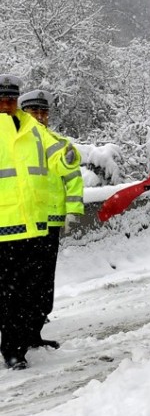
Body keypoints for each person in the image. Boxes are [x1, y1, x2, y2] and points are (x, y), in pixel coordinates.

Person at [0, 75, 76, 370]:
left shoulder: (33, 129)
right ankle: (12, 348)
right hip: (4, 227)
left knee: (27, 291)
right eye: (2, 100)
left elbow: (59, 154)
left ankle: (18, 345)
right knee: (9, 292)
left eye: (11, 99)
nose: (7, 105)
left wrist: (68, 157)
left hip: (33, 225)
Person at [18, 89, 83, 350]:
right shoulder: (15, 144)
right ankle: (17, 338)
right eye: (34, 111)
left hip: (51, 224)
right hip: (22, 225)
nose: (40, 116)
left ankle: (33, 332)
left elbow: (73, 179)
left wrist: (73, 211)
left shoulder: (57, 142)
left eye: (43, 111)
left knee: (43, 285)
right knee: (21, 283)